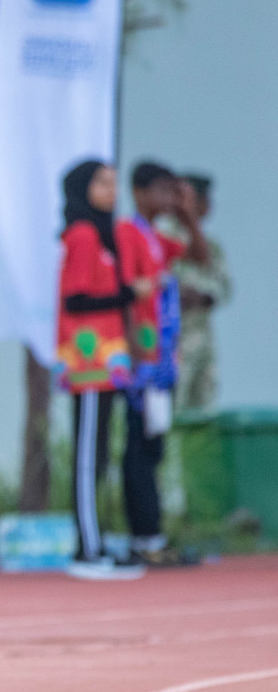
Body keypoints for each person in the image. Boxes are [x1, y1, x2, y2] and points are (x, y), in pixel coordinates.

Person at [53, 160, 145, 581]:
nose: (113, 190)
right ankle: (87, 548)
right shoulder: (83, 235)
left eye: (114, 182)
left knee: (101, 453)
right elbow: (75, 300)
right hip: (89, 363)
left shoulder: (107, 236)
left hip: (110, 362)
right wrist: (127, 294)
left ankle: (99, 538)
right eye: (103, 182)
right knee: (89, 456)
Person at [115, 161, 209, 560]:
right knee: (138, 444)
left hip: (162, 355)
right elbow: (124, 292)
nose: (170, 200)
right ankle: (143, 536)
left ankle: (152, 533)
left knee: (153, 444)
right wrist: (134, 347)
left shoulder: (156, 237)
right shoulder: (127, 232)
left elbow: (199, 257)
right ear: (139, 192)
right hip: (142, 355)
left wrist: (189, 215)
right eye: (164, 192)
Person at [168, 174, 229, 412]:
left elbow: (224, 289)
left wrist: (203, 297)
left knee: (204, 411)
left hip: (203, 340)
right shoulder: (165, 237)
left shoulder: (211, 245)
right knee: (174, 410)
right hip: (175, 341)